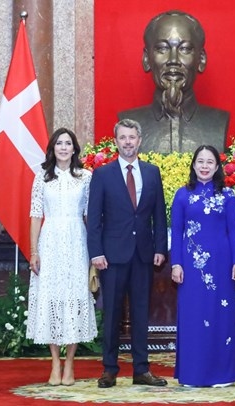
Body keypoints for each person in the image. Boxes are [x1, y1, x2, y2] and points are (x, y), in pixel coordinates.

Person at [87, 118, 169, 388]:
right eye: (123, 138)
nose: (128, 142)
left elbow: (158, 214)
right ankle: (109, 369)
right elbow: (95, 219)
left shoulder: (152, 172)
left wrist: (160, 248)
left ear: (140, 140)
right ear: (116, 141)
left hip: (144, 255)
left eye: (132, 137)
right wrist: (96, 252)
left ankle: (141, 370)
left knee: (140, 314)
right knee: (111, 314)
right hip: (111, 256)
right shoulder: (102, 174)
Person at [26, 128, 98, 386]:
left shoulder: (86, 177)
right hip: (50, 242)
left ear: (75, 148)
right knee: (52, 298)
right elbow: (35, 215)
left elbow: (91, 217)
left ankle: (70, 363)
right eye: (60, 143)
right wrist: (34, 251)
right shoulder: (41, 178)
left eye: (68, 143)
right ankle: (55, 362)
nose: (64, 148)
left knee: (75, 299)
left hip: (78, 241)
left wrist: (95, 251)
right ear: (52, 148)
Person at [170, 145, 235, 387]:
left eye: (209, 162)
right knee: (193, 316)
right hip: (191, 267)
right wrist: (176, 264)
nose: (204, 166)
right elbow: (177, 231)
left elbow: (233, 230)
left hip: (221, 265)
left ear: (217, 167)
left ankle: (222, 374)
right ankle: (192, 374)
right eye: (200, 161)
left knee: (221, 315)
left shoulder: (228, 195)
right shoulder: (182, 195)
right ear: (193, 165)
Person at [118, 10, 229, 153]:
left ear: (201, 59)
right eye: (162, 48)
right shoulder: (128, 122)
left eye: (185, 49)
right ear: (146, 59)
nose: (173, 60)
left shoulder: (218, 122)